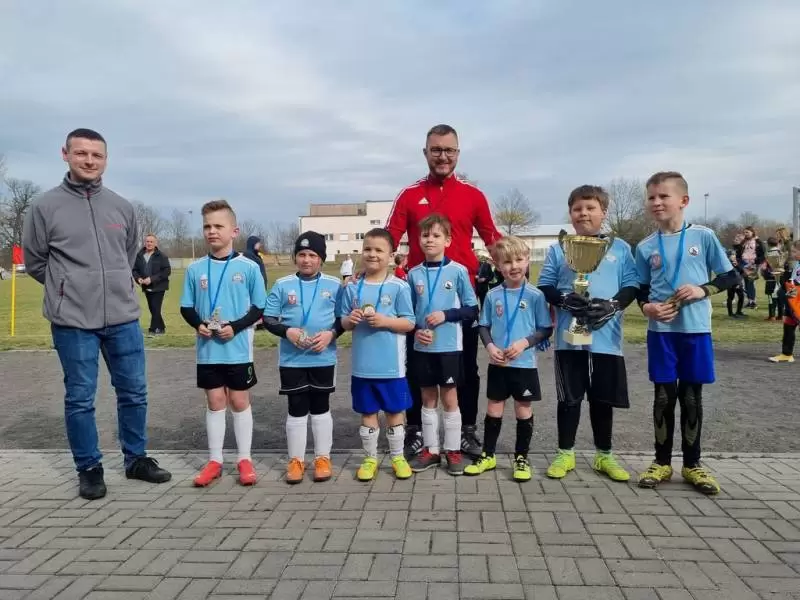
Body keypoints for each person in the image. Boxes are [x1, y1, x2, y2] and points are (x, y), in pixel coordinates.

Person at [22, 128, 171, 500]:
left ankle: (136, 459)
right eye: (81, 153)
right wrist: (67, 288)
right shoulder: (44, 207)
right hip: (73, 322)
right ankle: (89, 468)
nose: (89, 160)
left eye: (97, 155)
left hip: (122, 318)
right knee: (80, 397)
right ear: (66, 154)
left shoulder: (122, 207)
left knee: (134, 391)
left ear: (106, 159)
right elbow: (36, 262)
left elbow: (127, 255)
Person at [385, 124, 503, 459]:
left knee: (466, 367)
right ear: (425, 153)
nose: (443, 156)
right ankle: (416, 430)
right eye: (436, 150)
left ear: (458, 154)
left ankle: (465, 431)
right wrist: (367, 269)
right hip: (418, 297)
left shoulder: (473, 195)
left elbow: (492, 237)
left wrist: (516, 268)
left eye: (449, 150)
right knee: (415, 365)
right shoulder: (409, 195)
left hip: (460, 297)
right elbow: (389, 236)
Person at [634, 171, 739, 495]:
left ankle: (693, 464)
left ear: (684, 200)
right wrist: (647, 308)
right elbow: (640, 289)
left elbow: (730, 277)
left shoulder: (703, 236)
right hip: (661, 332)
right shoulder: (645, 246)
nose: (656, 202)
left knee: (692, 397)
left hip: (695, 330)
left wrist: (701, 290)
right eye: (651, 197)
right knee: (663, 397)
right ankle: (661, 462)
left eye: (663, 196)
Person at [537, 185, 639, 482]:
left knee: (602, 398)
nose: (583, 213)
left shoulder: (620, 248)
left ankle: (604, 455)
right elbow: (545, 285)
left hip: (607, 337)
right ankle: (565, 453)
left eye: (590, 208)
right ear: (570, 213)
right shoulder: (559, 248)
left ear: (603, 212)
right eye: (577, 208)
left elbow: (631, 285)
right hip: (569, 338)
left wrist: (612, 306)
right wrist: (563, 299)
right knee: (569, 397)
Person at [180, 199, 267, 487]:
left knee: (239, 401)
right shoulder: (195, 269)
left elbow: (259, 307)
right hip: (208, 350)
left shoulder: (249, 267)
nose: (212, 231)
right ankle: (215, 460)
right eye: (207, 226)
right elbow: (186, 307)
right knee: (215, 401)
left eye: (218, 226)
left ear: (234, 231)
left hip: (238, 348)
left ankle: (244, 459)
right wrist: (198, 325)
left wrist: (236, 327)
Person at [464, 236, 552, 481]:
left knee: (523, 409)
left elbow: (546, 329)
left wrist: (524, 343)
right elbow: (483, 325)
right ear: (498, 266)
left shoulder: (535, 295)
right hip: (498, 363)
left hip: (524, 364)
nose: (514, 266)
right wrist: (490, 346)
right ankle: (488, 455)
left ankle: (521, 458)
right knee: (494, 408)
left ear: (527, 261)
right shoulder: (493, 295)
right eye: (507, 262)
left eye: (519, 260)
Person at [263, 231, 343, 484]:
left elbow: (343, 319)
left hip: (323, 358)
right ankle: (296, 460)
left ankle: (322, 458)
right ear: (295, 257)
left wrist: (331, 334)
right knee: (296, 409)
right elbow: (268, 318)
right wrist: (287, 332)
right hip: (292, 360)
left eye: (312, 255)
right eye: (301, 254)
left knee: (320, 407)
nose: (306, 260)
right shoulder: (282, 284)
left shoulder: (334, 285)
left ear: (321, 259)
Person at [339, 228, 416, 481]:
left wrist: (386, 321)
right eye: (368, 249)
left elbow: (409, 323)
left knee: (394, 412)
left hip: (392, 367)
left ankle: (397, 457)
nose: (372, 254)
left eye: (379, 250)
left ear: (391, 255)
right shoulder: (352, 287)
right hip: (363, 367)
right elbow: (343, 321)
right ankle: (370, 458)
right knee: (368, 413)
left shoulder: (399, 287)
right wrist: (349, 321)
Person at [406, 214, 479, 476]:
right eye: (425, 235)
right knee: (427, 398)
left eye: (436, 235)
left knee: (449, 398)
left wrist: (446, 315)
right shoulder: (413, 274)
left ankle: (453, 450)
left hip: (449, 347)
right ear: (419, 239)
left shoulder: (458, 271)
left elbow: (472, 309)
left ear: (447, 240)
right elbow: (407, 313)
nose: (430, 240)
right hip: (423, 347)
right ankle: (431, 450)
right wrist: (416, 331)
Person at [132, 234, 172, 336]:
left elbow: (167, 271)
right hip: (146, 287)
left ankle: (154, 329)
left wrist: (152, 279)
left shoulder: (162, 256)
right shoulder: (139, 255)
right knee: (152, 308)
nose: (149, 243)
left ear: (155, 243)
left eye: (151, 242)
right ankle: (161, 327)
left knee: (155, 307)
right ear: (144, 242)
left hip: (159, 286)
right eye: (147, 241)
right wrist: (138, 279)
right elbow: (135, 270)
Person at [768, 240, 800, 363]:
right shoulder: (797, 264)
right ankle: (787, 354)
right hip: (792, 302)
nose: (792, 253)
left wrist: (786, 293)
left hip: (797, 302)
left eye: (795, 251)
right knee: (788, 327)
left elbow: (797, 285)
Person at [734, 226, 765, 309]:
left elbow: (763, 254)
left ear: (752, 232)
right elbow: (738, 252)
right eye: (744, 232)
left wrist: (756, 261)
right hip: (743, 264)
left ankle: (753, 302)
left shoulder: (758, 242)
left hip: (752, 264)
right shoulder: (744, 242)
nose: (745, 234)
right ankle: (750, 300)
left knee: (750, 282)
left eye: (747, 232)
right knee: (746, 283)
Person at [762, 237, 784, 322]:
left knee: (771, 297)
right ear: (777, 244)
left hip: (771, 279)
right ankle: (781, 316)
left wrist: (764, 274)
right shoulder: (781, 253)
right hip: (781, 278)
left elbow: (764, 267)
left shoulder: (767, 254)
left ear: (768, 244)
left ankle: (772, 316)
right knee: (780, 297)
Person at [726, 252, 747, 319]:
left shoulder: (736, 262)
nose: (734, 256)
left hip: (738, 282)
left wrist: (737, 265)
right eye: (732, 255)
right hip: (731, 282)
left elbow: (742, 272)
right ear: (729, 256)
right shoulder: (726, 263)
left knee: (741, 296)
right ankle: (730, 313)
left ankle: (738, 311)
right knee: (730, 297)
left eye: (734, 254)